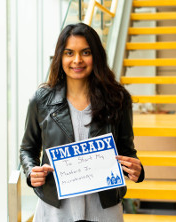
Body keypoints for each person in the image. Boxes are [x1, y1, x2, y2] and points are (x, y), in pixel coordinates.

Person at [20, 22, 144, 222]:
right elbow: (27, 149)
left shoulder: (118, 99)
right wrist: (31, 171)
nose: (77, 60)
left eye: (85, 52)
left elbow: (126, 151)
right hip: (55, 210)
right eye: (69, 53)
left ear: (96, 56)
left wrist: (136, 169)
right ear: (60, 57)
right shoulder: (41, 100)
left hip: (103, 210)